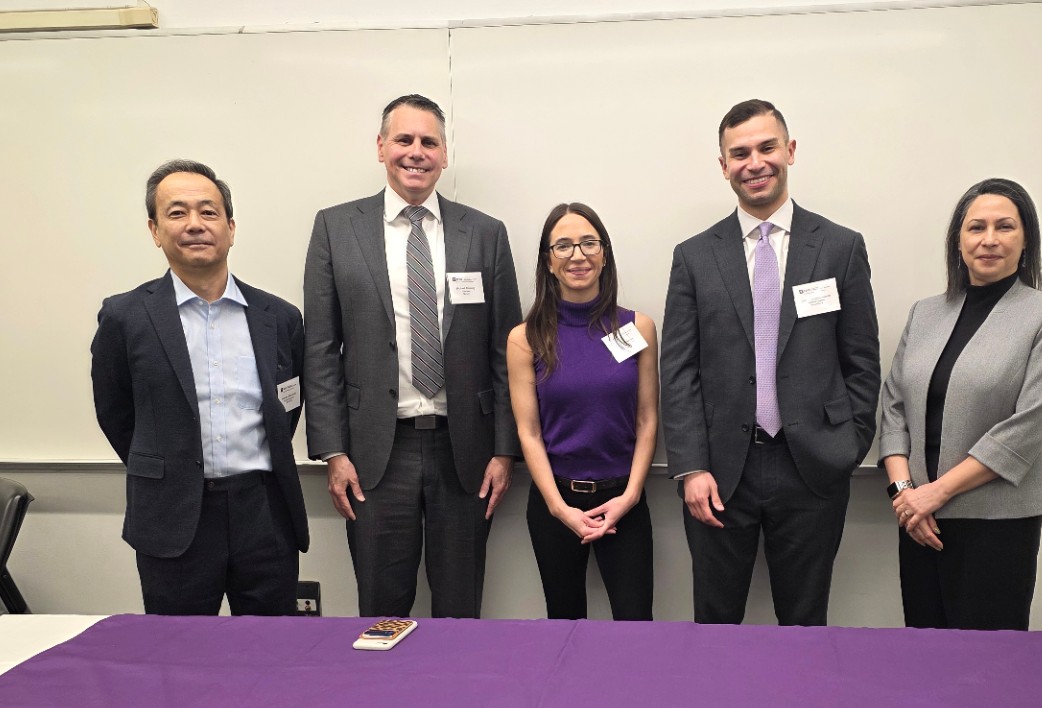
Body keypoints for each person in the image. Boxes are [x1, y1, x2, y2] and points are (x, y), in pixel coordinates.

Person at [660, 99, 881, 625]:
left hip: (811, 468)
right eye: (739, 153)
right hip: (718, 473)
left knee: (805, 622)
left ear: (790, 151)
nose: (754, 162)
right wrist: (691, 466)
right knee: (716, 621)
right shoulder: (694, 256)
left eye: (766, 147)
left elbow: (862, 360)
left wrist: (845, 448)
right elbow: (679, 371)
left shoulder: (839, 247)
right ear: (723, 165)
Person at [303, 93, 522, 618]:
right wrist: (333, 452)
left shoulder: (486, 234)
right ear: (381, 147)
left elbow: (505, 348)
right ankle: (380, 699)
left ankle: (456, 699)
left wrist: (503, 450)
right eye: (404, 139)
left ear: (445, 154)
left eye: (429, 141)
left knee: (460, 607)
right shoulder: (336, 228)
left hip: (464, 450)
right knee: (381, 608)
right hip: (376, 454)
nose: (416, 152)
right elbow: (320, 350)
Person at [91, 159, 309, 615]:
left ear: (230, 228)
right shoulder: (126, 317)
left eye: (208, 212)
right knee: (177, 658)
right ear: (154, 229)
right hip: (173, 517)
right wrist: (166, 466)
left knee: (273, 654)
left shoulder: (279, 318)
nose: (194, 224)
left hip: (264, 513)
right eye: (177, 213)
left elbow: (286, 408)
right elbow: (116, 413)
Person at [877, 177, 1042, 630]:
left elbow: (1028, 425)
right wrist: (905, 494)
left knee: (989, 666)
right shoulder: (925, 313)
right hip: (917, 519)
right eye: (976, 228)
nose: (989, 239)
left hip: (996, 523)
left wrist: (935, 493)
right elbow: (893, 407)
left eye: (1004, 227)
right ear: (958, 241)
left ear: (1026, 240)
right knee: (925, 657)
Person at [507, 203, 658, 620]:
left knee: (635, 625)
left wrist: (629, 497)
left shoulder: (637, 328)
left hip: (624, 500)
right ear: (548, 261)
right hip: (555, 502)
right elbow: (529, 432)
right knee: (565, 624)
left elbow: (647, 420)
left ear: (604, 254)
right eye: (564, 245)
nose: (578, 255)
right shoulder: (525, 338)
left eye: (589, 242)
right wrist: (559, 509)